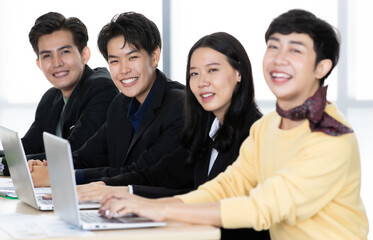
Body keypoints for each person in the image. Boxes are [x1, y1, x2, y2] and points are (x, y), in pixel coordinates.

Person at [98, 9, 369, 239]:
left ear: (321, 67)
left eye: (295, 50)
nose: (278, 59)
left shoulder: (331, 136)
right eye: (273, 47)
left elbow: (262, 207)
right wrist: (148, 205)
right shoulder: (269, 126)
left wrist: (160, 209)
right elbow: (226, 186)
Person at [77, 32, 270, 239]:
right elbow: (160, 175)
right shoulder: (205, 129)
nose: (201, 82)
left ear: (239, 73)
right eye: (194, 74)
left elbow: (222, 204)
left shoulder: (257, 135)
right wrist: (109, 187)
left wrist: (141, 201)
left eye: (212, 70)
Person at [29, 12, 185, 187]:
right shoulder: (121, 104)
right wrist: (47, 167)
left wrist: (63, 176)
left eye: (132, 57)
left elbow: (142, 172)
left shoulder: (180, 105)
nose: (124, 70)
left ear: (154, 56)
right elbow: (87, 156)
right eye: (115, 61)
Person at [0, 12, 118, 176]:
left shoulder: (102, 89)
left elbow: (74, 152)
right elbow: (28, 146)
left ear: (85, 54)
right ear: (39, 64)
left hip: (94, 191)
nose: (57, 63)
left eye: (65, 52)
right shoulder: (51, 98)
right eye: (47, 56)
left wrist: (4, 165)